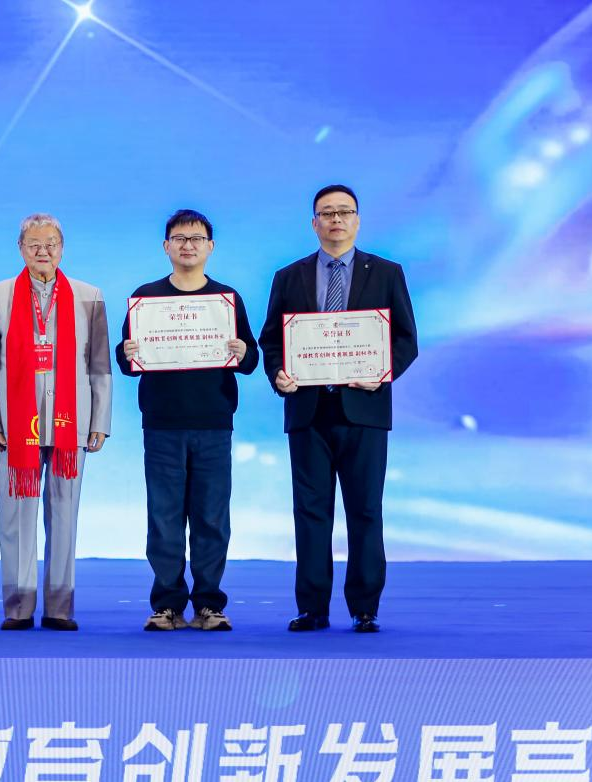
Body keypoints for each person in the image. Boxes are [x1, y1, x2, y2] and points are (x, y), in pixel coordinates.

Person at [258, 185, 418, 633]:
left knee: (365, 511)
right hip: (308, 411)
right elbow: (271, 340)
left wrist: (382, 372)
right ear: (314, 223)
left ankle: (365, 607)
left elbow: (406, 339)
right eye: (327, 213)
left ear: (357, 220)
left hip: (364, 408)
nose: (336, 220)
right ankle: (313, 607)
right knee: (311, 513)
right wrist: (278, 373)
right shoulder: (288, 277)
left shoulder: (385, 273)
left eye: (344, 212)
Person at [116, 209, 259, 631]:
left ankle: (209, 604)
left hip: (214, 423)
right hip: (162, 423)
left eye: (196, 239)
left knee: (211, 518)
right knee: (164, 518)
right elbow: (127, 362)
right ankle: (167, 605)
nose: (188, 245)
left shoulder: (226, 299)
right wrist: (127, 353)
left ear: (210, 247)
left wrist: (242, 351)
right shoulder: (146, 298)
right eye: (179, 238)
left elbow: (251, 359)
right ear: (166, 247)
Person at [0, 213, 111, 631]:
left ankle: (59, 606)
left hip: (72, 423)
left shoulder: (89, 297)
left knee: (65, 515)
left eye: (51, 243)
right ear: (20, 248)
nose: (43, 251)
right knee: (16, 517)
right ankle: (18, 606)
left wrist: (100, 421)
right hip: (15, 426)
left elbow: (99, 366)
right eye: (34, 244)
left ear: (62, 248)